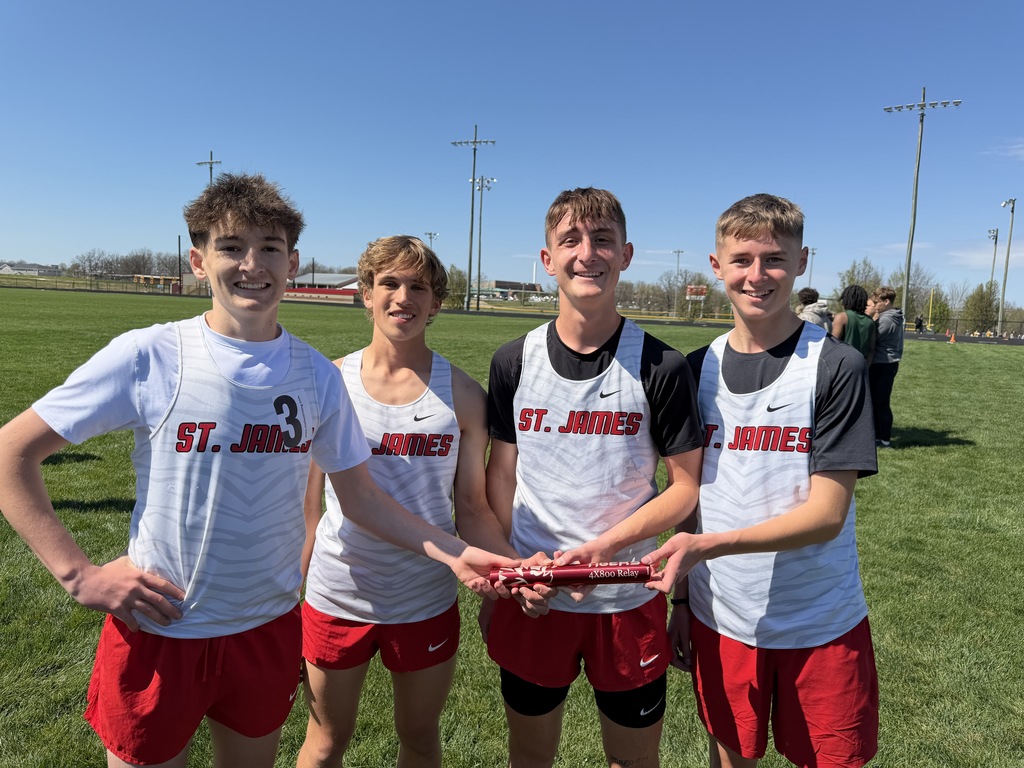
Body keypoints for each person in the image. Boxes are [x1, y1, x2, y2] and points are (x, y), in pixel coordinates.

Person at [0, 174, 517, 768]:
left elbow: (363, 500)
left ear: (292, 262)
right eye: (230, 247)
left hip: (265, 627)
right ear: (198, 261)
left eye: (269, 247)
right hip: (162, 625)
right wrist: (78, 575)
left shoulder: (318, 376)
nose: (252, 264)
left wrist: (457, 554)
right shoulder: (151, 355)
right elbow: (10, 453)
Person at [643, 193, 879, 768]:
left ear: (801, 263)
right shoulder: (694, 368)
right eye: (741, 259)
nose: (757, 275)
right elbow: (689, 493)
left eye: (774, 258)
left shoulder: (835, 364)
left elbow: (827, 514)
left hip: (820, 619)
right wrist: (680, 599)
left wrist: (706, 548)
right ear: (716, 265)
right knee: (729, 759)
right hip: (721, 616)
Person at [297, 236, 551, 768]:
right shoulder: (328, 382)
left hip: (424, 598)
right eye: (388, 283)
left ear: (435, 303)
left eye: (418, 286)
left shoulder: (462, 394)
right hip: (337, 594)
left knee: (418, 735)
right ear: (365, 293)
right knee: (324, 743)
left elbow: (474, 509)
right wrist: (291, 591)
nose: (402, 297)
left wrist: (510, 565)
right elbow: (308, 508)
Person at [482, 187, 704, 768]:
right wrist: (506, 567)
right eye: (571, 241)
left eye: (602, 240)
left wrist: (602, 550)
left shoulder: (662, 365)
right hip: (538, 595)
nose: (588, 254)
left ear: (625, 254)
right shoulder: (513, 360)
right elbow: (500, 477)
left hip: (625, 596)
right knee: (530, 758)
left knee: (632, 761)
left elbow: (685, 488)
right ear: (548, 257)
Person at [868, 286, 905, 448]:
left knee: (881, 402)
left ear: (887, 301)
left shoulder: (886, 319)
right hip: (887, 363)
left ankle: (884, 439)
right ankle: (879, 437)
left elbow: (871, 337)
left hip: (883, 364)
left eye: (878, 302)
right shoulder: (892, 317)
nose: (876, 306)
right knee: (879, 401)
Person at [830, 284, 877, 364]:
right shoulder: (871, 322)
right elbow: (871, 349)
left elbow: (833, 344)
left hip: (843, 362)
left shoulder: (842, 317)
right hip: (862, 363)